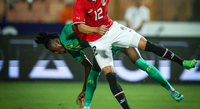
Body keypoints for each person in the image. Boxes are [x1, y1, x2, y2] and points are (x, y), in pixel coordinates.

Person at [72, 0, 197, 108]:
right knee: (109, 76)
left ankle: (181, 63)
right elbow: (79, 27)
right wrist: (95, 29)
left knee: (147, 46)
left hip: (112, 29)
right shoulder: (79, 1)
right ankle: (89, 107)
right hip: (98, 40)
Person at [35, 22, 196, 109]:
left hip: (112, 36)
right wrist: (84, 89)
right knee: (95, 72)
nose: (56, 53)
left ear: (56, 42)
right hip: (102, 47)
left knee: (141, 63)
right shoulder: (71, 51)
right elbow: (87, 66)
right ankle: (87, 106)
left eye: (54, 50)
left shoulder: (66, 32)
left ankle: (171, 90)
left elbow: (77, 24)